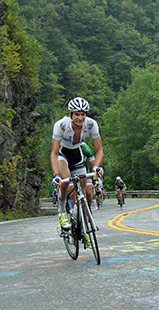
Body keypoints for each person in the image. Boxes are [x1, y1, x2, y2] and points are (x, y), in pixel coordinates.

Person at [51, 97, 104, 230]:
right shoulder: (61, 125)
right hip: (63, 154)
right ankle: (62, 211)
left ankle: (78, 216)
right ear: (70, 114)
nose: (80, 118)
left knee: (84, 189)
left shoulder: (91, 124)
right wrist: (55, 174)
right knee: (65, 181)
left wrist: (96, 167)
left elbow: (99, 150)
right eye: (77, 114)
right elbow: (54, 153)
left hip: (77, 154)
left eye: (83, 114)